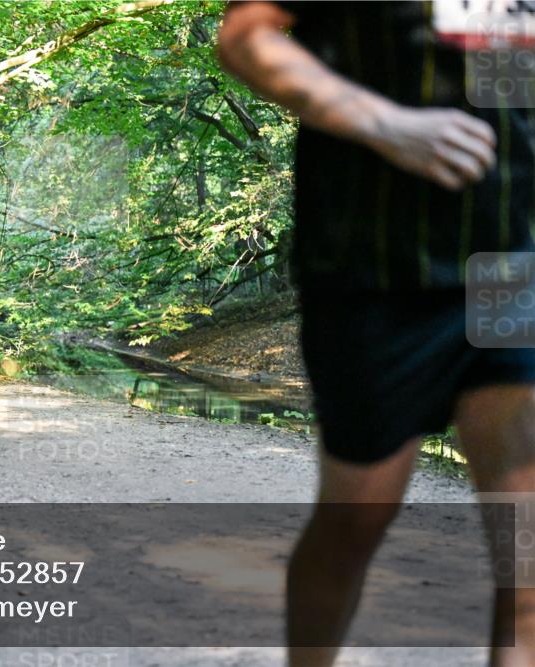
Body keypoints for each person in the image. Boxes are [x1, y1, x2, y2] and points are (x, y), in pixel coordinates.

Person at [218, 2, 534, 666]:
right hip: (377, 270)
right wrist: (387, 125)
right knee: (354, 522)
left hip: (514, 263)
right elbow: (246, 38)